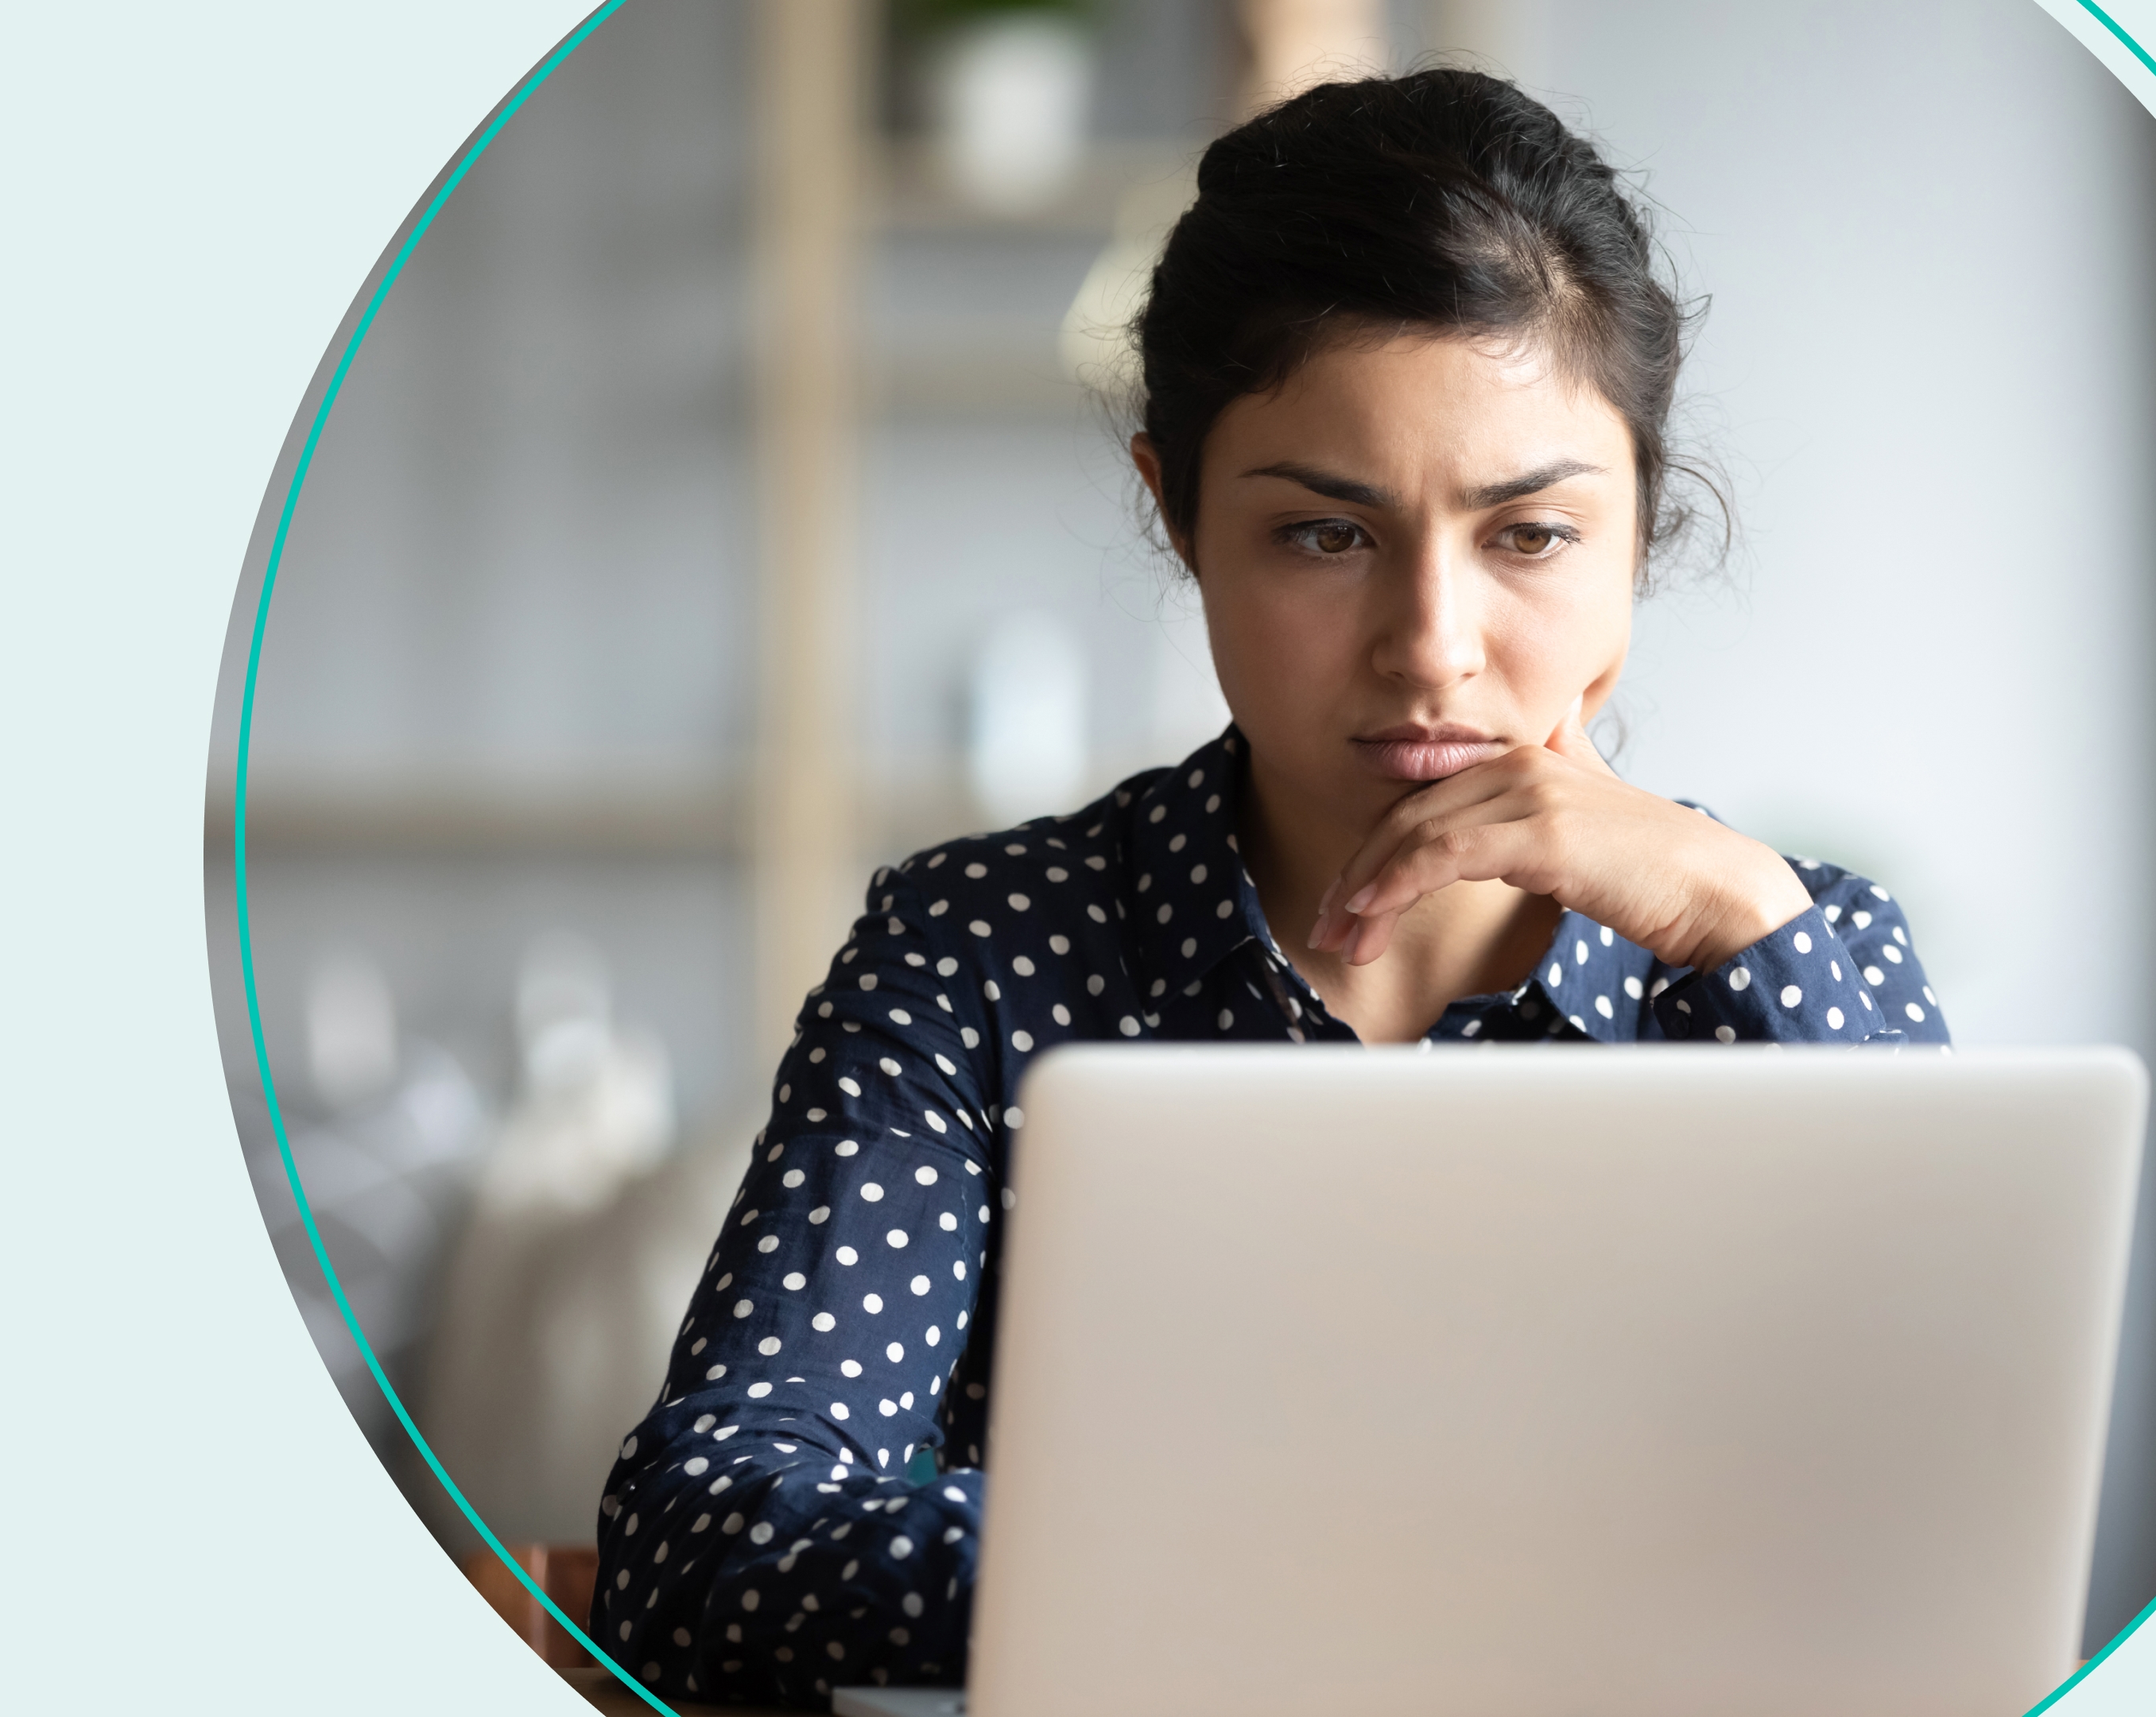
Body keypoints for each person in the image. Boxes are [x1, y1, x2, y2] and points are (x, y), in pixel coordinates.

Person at [589, 68, 1949, 1704]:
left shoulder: (1794, 947)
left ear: (1640, 530)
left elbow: (1943, 1531)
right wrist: (1350, 1564)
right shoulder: (984, 958)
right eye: (1325, 536)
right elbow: (705, 1543)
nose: (1431, 647)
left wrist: (1740, 928)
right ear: (1177, 514)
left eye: (1529, 537)